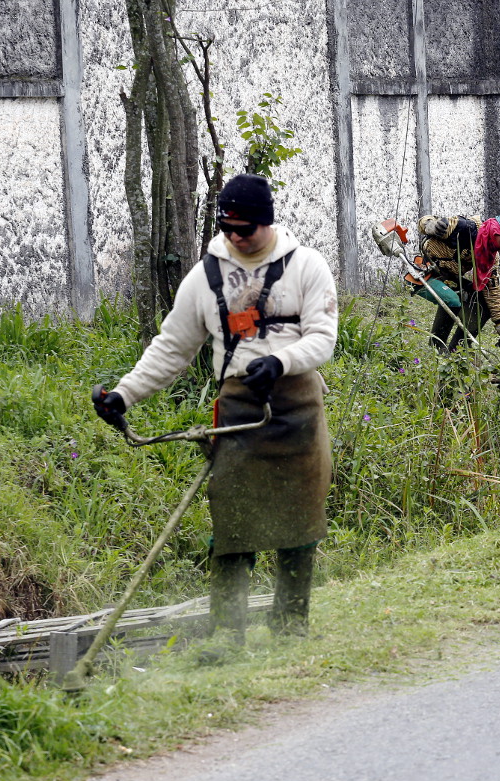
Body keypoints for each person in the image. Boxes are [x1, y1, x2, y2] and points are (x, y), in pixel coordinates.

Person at [92, 173, 338, 644]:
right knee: (232, 522)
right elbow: (172, 347)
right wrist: (124, 394)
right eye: (229, 229)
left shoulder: (307, 266)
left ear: (267, 221)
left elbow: (322, 339)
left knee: (300, 519)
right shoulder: (207, 276)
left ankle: (290, 626)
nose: (236, 237)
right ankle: (227, 635)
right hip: (239, 411)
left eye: (246, 228)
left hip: (297, 409)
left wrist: (281, 360)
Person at [410, 212, 500, 351]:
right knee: (454, 299)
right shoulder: (464, 228)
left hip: (449, 277)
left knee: (483, 304)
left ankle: (458, 351)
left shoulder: (491, 256)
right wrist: (429, 225)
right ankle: (436, 348)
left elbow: (493, 288)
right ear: (496, 232)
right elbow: (424, 221)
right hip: (424, 275)